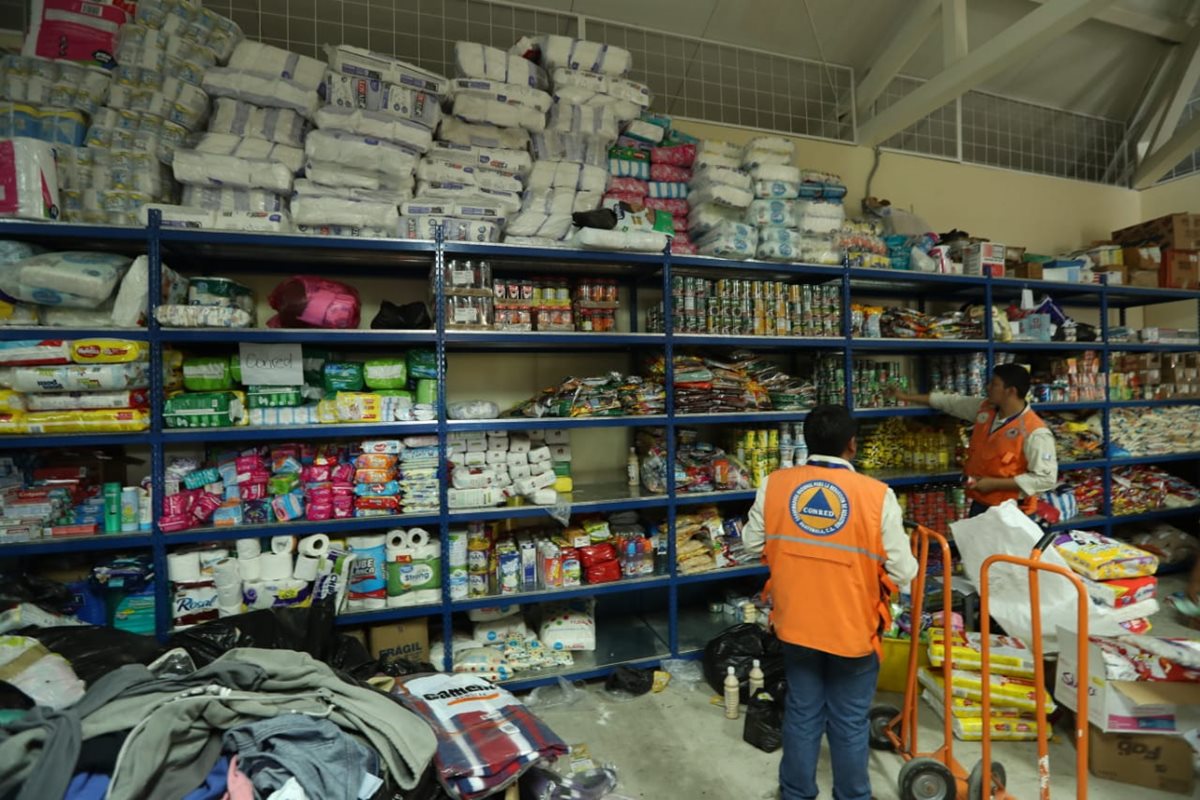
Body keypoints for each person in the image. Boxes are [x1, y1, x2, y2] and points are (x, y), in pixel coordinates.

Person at [743, 405, 919, 800]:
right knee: (849, 720)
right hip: (852, 630)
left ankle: (795, 793)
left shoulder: (776, 484)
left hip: (797, 625)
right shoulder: (877, 496)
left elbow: (750, 543)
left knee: (803, 712)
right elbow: (905, 571)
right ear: (852, 445)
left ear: (806, 442)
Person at [892, 363, 1057, 517]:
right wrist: (905, 396)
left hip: (1011, 510)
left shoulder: (1035, 432)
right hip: (981, 503)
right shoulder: (985, 409)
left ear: (1011, 391)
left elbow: (1045, 478)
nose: (988, 388)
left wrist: (994, 484)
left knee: (998, 550)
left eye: (994, 384)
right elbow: (949, 402)